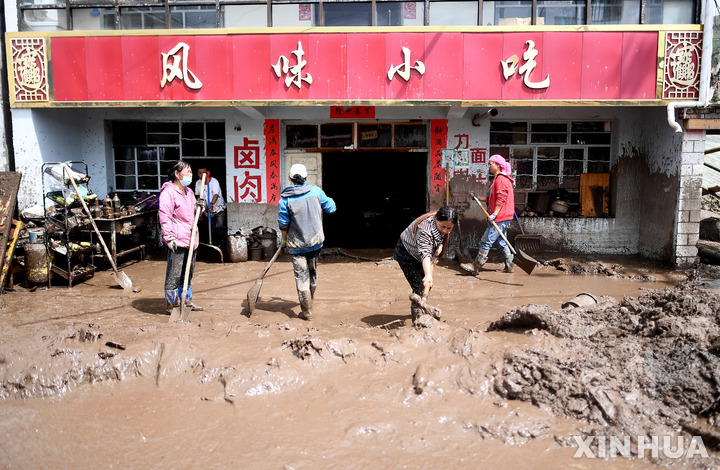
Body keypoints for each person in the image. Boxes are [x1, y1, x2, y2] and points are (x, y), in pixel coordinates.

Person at [278, 163, 337, 321]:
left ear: (291, 179)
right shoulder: (317, 192)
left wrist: (284, 240)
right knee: (313, 273)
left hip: (297, 246)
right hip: (315, 243)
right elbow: (331, 208)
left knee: (301, 277)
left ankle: (306, 312)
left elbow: (283, 224)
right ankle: (310, 301)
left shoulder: (285, 199)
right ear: (306, 178)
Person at [394, 206, 457, 325]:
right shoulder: (425, 229)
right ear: (436, 219)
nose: (445, 230)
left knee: (427, 285)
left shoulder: (441, 225)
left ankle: (421, 307)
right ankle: (418, 322)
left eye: (449, 228)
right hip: (406, 254)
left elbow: (440, 236)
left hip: (421, 254)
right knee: (419, 286)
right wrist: (428, 274)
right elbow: (425, 254)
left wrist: (439, 246)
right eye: (443, 226)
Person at [159, 161, 205, 315]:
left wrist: (201, 206)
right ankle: (171, 305)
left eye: (191, 171)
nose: (190, 174)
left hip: (191, 239)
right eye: (188, 171)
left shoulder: (190, 193)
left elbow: (195, 216)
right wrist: (169, 237)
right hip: (177, 240)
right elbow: (165, 217)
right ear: (177, 174)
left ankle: (185, 300)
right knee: (174, 273)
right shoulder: (169, 193)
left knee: (188, 272)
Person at [461, 154, 516, 274]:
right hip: (503, 216)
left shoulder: (501, 179)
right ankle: (510, 265)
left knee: (486, 241)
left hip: (500, 217)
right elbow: (491, 197)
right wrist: (477, 198)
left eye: (490, 164)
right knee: (501, 242)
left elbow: (501, 199)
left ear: (498, 165)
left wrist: (494, 214)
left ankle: (476, 266)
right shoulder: (497, 179)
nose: (489, 166)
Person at [194, 168, 227, 249]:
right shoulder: (198, 183)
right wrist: (200, 211)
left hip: (218, 209)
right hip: (206, 210)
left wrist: (211, 204)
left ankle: (222, 242)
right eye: (200, 173)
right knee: (207, 228)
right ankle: (209, 244)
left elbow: (216, 194)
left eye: (204, 172)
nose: (202, 175)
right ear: (197, 174)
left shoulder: (214, 181)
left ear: (208, 173)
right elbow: (198, 197)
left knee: (219, 226)